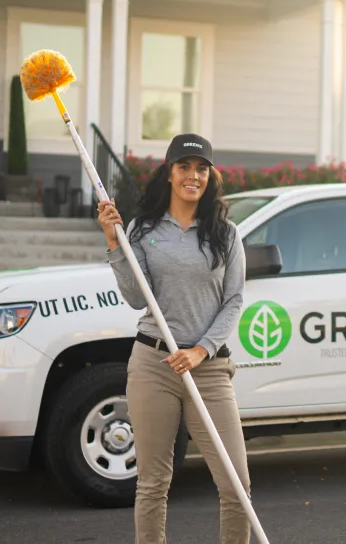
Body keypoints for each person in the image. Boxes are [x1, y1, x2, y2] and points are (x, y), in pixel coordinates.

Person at [96, 133, 252, 544]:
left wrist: (202, 350)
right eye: (184, 167)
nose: (193, 176)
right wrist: (114, 243)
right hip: (154, 363)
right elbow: (135, 298)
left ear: (210, 176)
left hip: (209, 368)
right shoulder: (143, 228)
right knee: (152, 484)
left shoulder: (226, 233)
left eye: (201, 169)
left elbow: (234, 300)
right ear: (169, 172)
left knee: (236, 486)